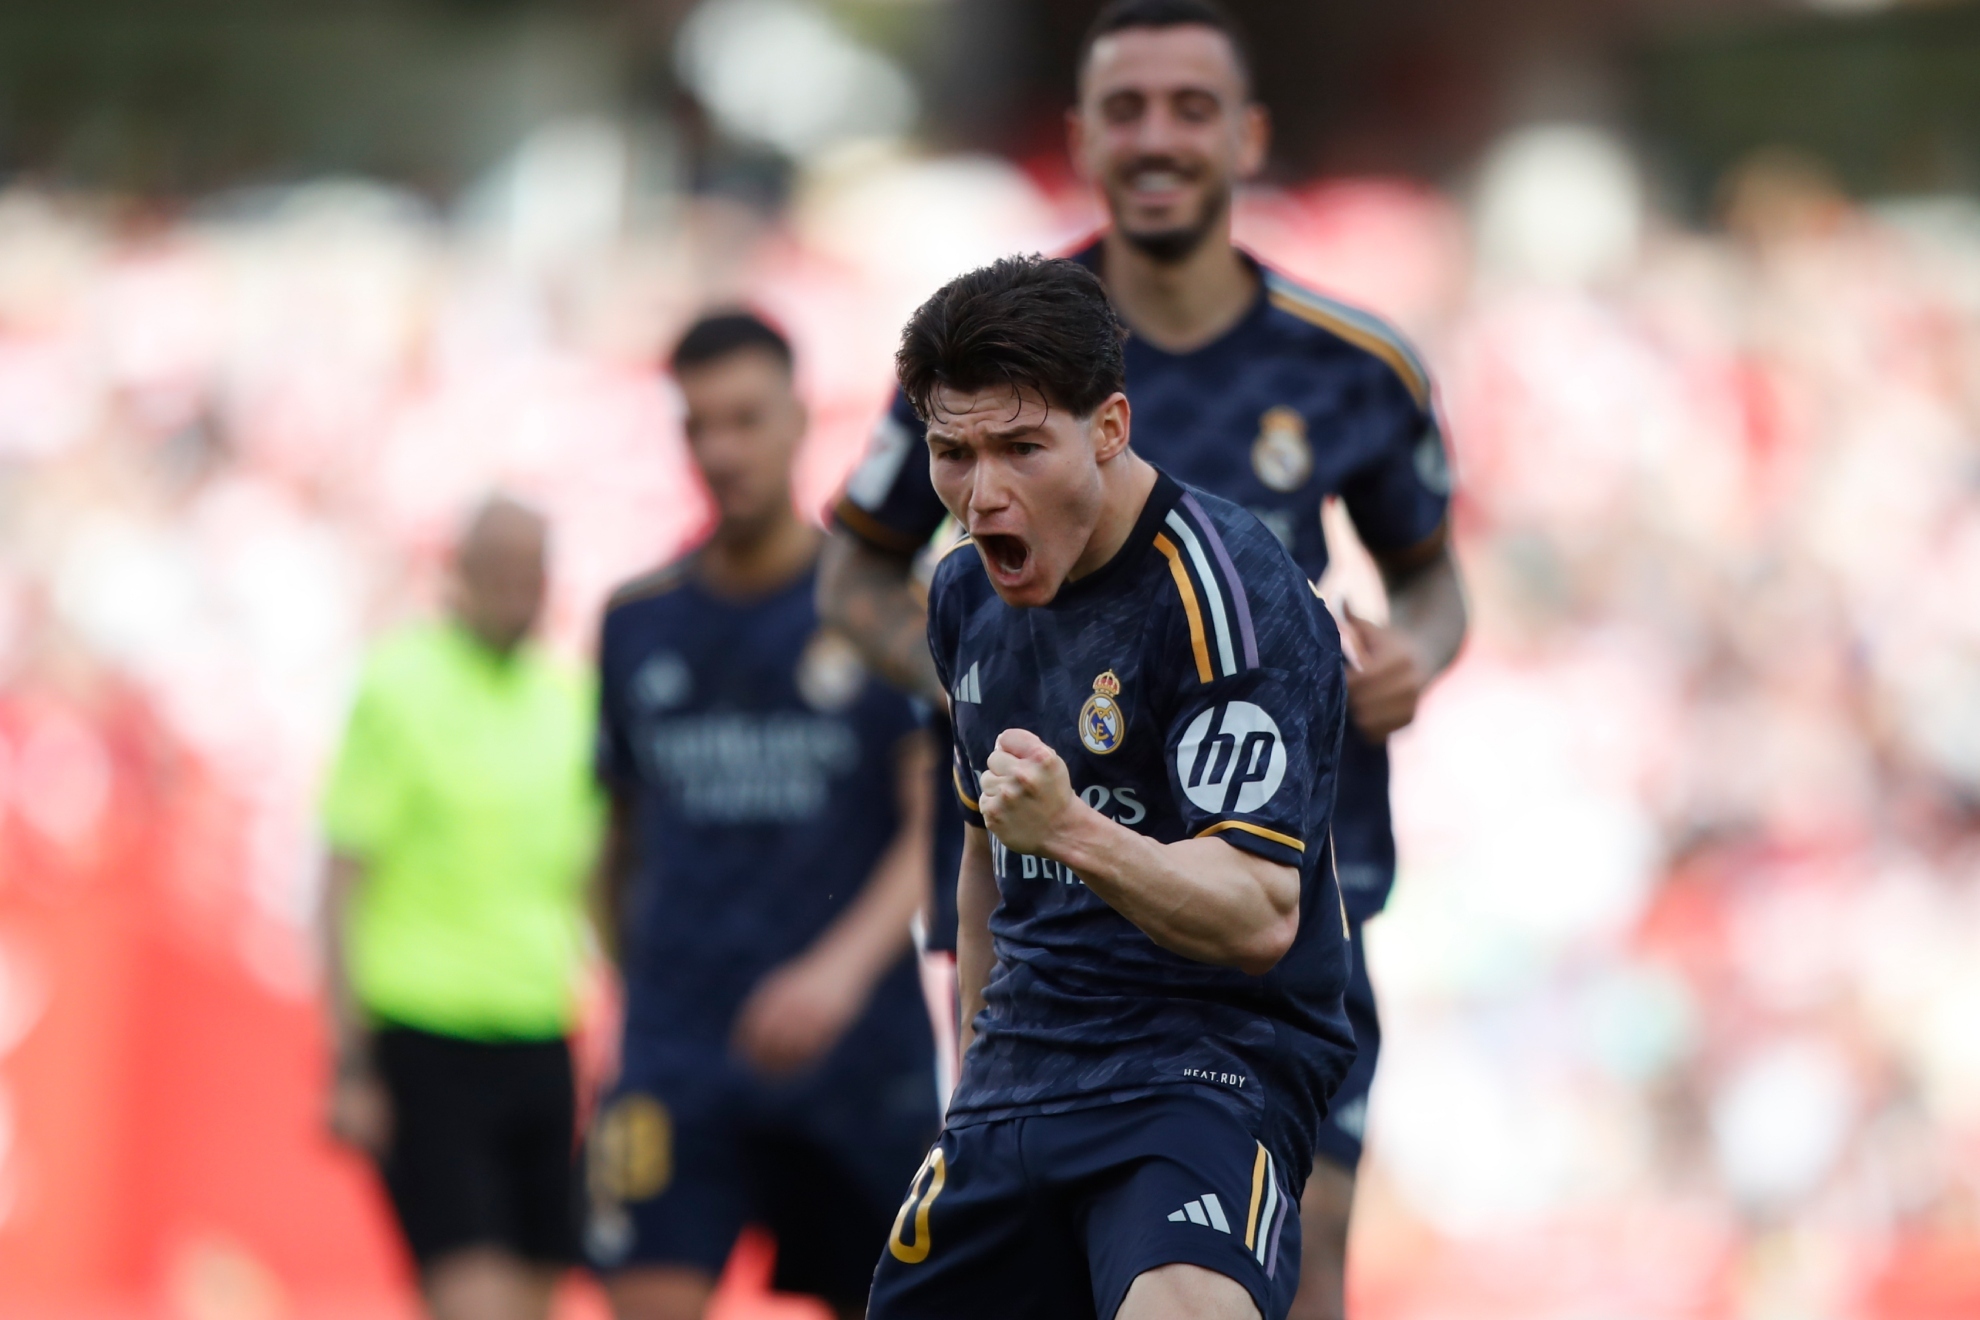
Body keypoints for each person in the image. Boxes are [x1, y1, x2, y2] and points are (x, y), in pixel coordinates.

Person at [818, 4, 1468, 1314]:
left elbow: (1433, 590)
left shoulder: (1349, 376)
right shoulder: (981, 362)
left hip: (1254, 944)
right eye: (1127, 108)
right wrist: (1025, 714)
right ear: (1081, 137)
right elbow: (858, 584)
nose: (1157, 137)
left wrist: (1415, 662)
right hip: (1050, 989)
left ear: (1248, 137)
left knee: (1289, 1260)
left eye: (1190, 106)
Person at [865, 254, 1353, 1320]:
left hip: (1204, 1069)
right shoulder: (963, 598)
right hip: (1018, 1077)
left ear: (1111, 428)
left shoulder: (1226, 589)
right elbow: (985, 863)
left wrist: (1076, 830)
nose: (981, 493)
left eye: (1020, 448)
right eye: (954, 454)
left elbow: (1260, 911)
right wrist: (968, 1095)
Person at [587, 312, 940, 1320]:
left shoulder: (875, 611)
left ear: (797, 419)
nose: (722, 451)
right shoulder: (635, 620)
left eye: (745, 420)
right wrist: (641, 994)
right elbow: (616, 838)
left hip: (855, 1050)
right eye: (700, 427)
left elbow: (932, 828)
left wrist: (837, 972)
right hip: (679, 1050)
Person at [321, 496, 600, 1320]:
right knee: (473, 1303)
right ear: (459, 573)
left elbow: (592, 877)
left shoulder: (570, 695)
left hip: (542, 1033)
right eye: (500, 571)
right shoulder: (398, 683)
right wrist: (348, 1060)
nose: (517, 590)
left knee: (536, 1299)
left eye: (532, 573)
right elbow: (341, 876)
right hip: (425, 1034)